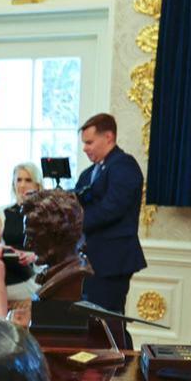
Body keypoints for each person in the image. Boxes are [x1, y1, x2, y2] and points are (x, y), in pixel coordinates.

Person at [74, 113, 145, 348]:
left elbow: (111, 208)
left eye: (89, 142)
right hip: (91, 261)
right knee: (93, 323)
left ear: (109, 137)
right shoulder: (90, 173)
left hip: (112, 260)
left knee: (110, 323)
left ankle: (122, 371)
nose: (85, 148)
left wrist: (76, 221)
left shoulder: (124, 166)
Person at [0, 162, 43, 317]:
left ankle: (2, 328)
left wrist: (33, 255)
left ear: (37, 185)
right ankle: (0, 333)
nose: (22, 185)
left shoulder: (43, 212)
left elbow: (50, 250)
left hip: (31, 273)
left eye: (28, 180)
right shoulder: (3, 212)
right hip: (7, 271)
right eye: (18, 180)